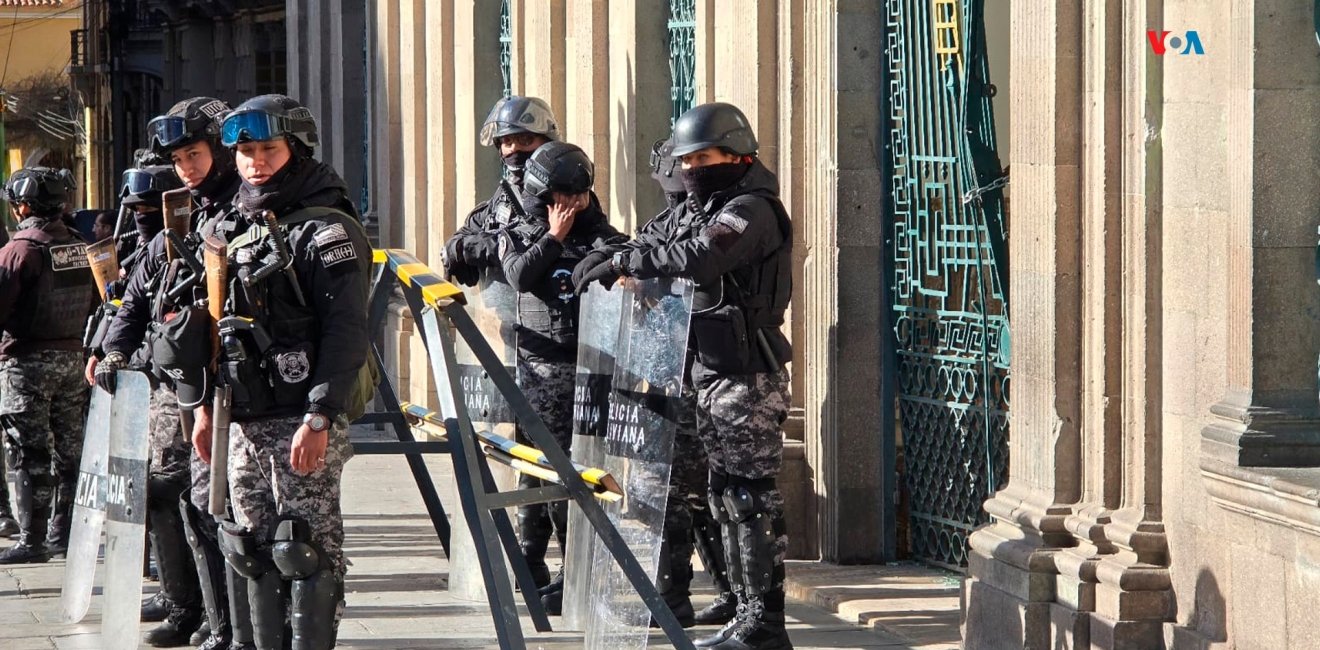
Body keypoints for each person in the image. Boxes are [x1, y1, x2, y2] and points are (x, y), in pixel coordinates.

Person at [574, 103, 793, 650]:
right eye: (687, 159)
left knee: (749, 498)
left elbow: (701, 256)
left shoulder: (750, 208)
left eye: (705, 157)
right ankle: (744, 614)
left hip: (745, 375)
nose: (693, 168)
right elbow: (660, 241)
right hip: (706, 368)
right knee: (723, 497)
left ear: (738, 155)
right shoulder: (707, 204)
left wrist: (632, 264)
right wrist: (620, 256)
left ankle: (765, 623)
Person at [188, 94, 370, 650]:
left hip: (301, 416)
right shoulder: (228, 223)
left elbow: (346, 331)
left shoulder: (325, 230)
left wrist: (319, 415)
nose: (255, 161)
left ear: (296, 148)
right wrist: (200, 408)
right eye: (245, 150)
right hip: (240, 417)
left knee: (304, 550)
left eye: (268, 148)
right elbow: (210, 326)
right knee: (250, 549)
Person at [95, 96, 250, 650]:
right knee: (179, 498)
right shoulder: (183, 214)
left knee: (226, 510)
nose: (187, 166)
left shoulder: (244, 207)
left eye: (195, 153)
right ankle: (199, 613)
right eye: (180, 157)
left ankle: (232, 624)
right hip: (179, 384)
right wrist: (113, 349)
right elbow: (139, 292)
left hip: (233, 385)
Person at [497, 141, 626, 612]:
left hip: (590, 371)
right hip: (541, 372)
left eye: (574, 199)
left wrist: (586, 233)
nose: (567, 208)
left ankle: (582, 576)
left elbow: (617, 259)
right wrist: (552, 237)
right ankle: (544, 566)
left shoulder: (600, 233)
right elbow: (519, 276)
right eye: (558, 199)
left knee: (582, 476)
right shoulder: (520, 231)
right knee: (542, 474)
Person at [0, 167, 96, 565]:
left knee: (29, 453)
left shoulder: (19, 250)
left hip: (27, 365)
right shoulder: (78, 244)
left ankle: (32, 539)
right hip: (73, 362)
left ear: (22, 205)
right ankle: (64, 534)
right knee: (70, 454)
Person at [442, 95, 560, 288]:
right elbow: (477, 224)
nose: (515, 148)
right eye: (507, 141)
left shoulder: (562, 188)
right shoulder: (509, 190)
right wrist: (457, 246)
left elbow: (533, 240)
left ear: (546, 141)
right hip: (502, 314)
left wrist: (485, 246)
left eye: (526, 139)